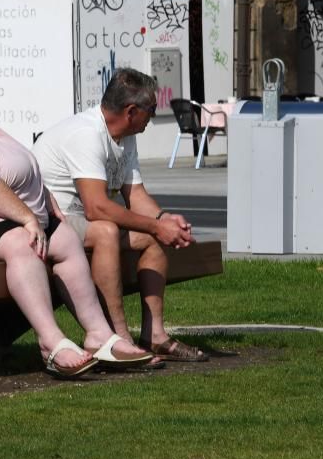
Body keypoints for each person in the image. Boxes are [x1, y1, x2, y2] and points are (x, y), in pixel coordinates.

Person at [0, 33, 153, 378]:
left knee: (62, 238)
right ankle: (51, 341)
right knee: (24, 242)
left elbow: (5, 166)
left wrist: (43, 199)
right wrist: (28, 217)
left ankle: (98, 333)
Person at [32, 68, 207, 364]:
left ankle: (155, 335)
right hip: (49, 221)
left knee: (152, 236)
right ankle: (117, 339)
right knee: (106, 231)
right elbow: (96, 208)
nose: (153, 116)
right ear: (131, 111)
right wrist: (155, 224)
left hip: (76, 221)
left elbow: (135, 196)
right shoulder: (86, 134)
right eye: (151, 110)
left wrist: (163, 220)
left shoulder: (125, 136)